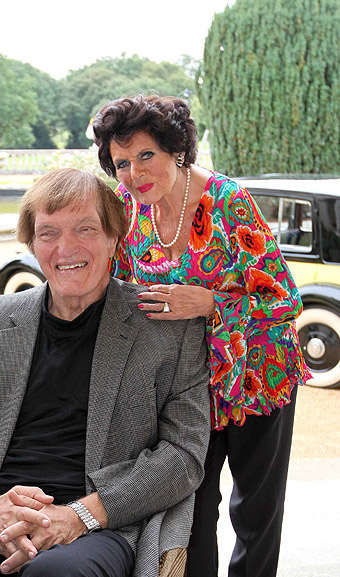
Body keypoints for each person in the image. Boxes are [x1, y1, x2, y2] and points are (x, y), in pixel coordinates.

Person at [0, 168, 211, 577]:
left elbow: (184, 454)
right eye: (48, 233)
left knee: (57, 574)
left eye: (85, 229)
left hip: (99, 524)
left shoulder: (167, 329)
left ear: (115, 237)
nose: (66, 248)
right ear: (30, 243)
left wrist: (80, 515)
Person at [92, 95, 310, 577]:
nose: (134, 173)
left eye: (146, 155)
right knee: (190, 514)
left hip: (258, 374)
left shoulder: (229, 201)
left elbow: (284, 301)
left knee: (255, 512)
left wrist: (210, 303)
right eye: (122, 162)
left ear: (177, 150)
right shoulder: (126, 211)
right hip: (186, 390)